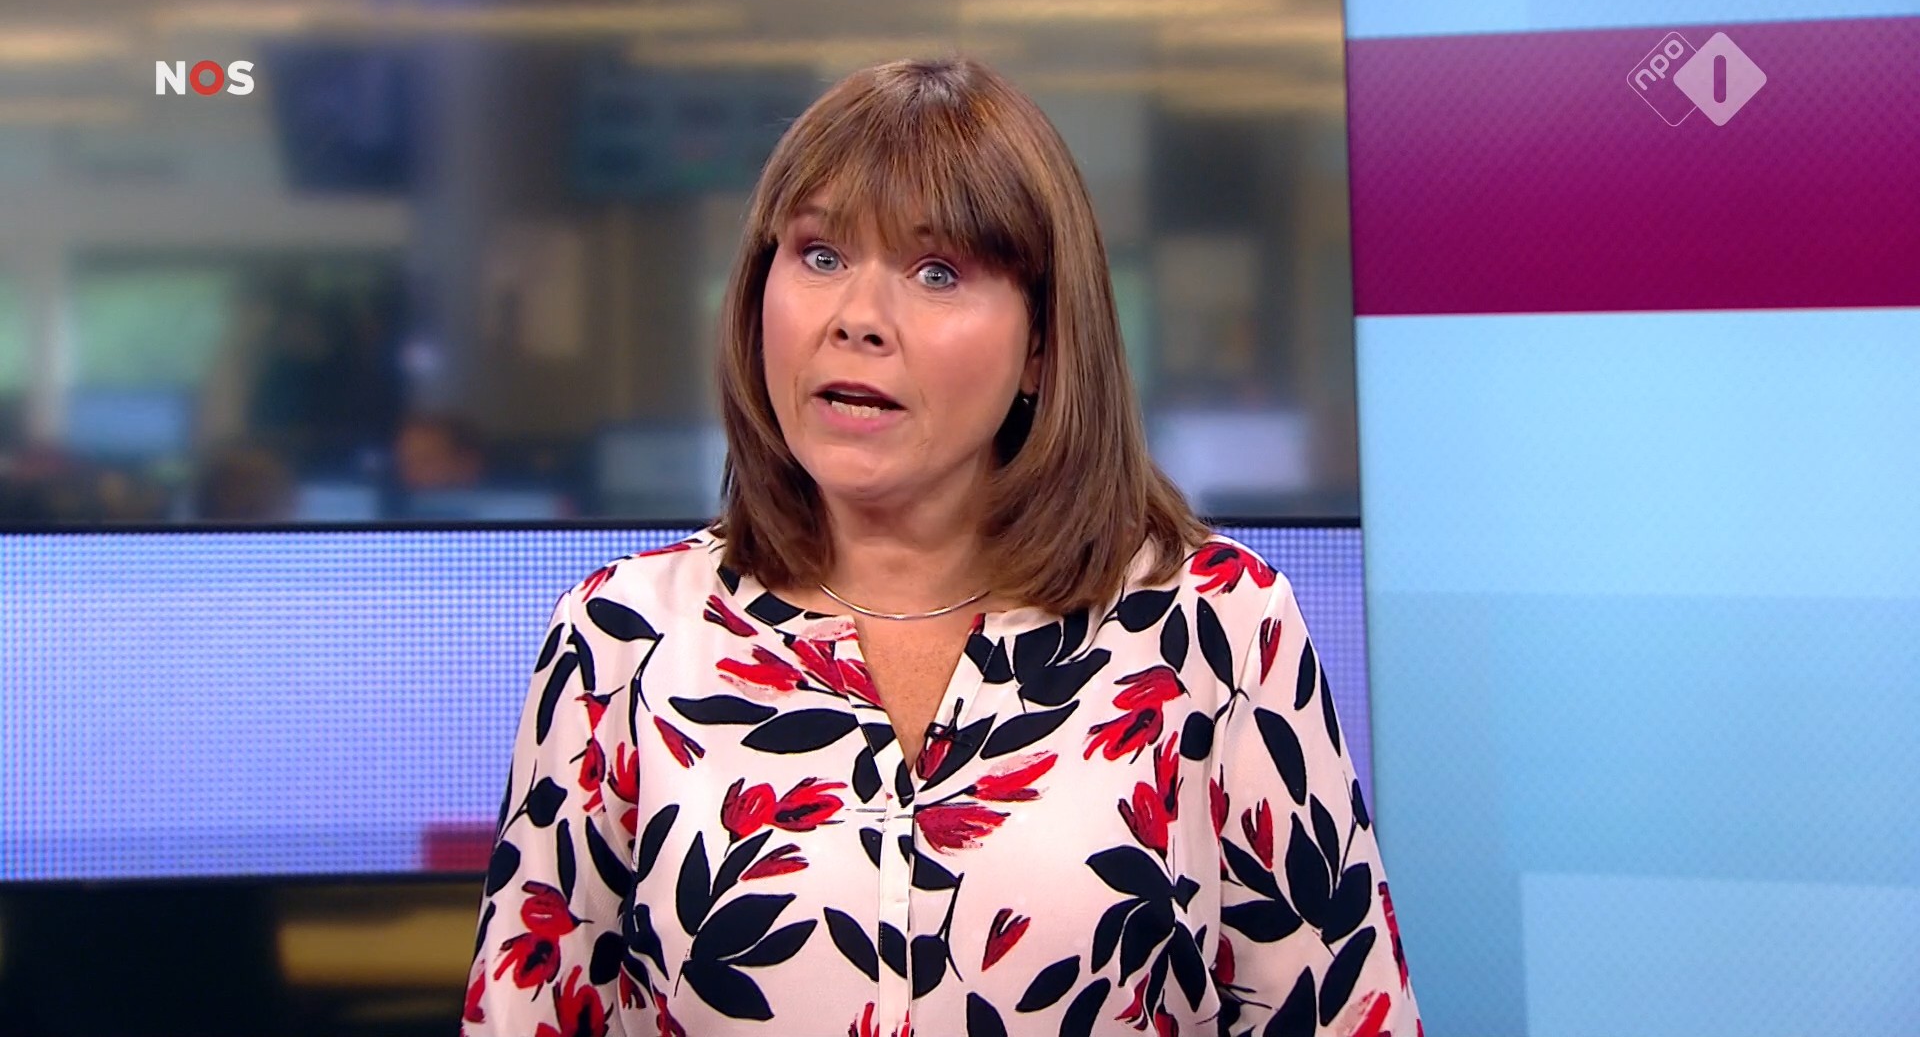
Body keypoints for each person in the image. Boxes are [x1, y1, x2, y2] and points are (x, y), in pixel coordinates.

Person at [463, 56, 1418, 1037]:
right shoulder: (621, 643)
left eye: (937, 272)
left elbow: (1346, 1011)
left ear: (1042, 343)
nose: (857, 321)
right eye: (820, 256)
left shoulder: (1220, 630)